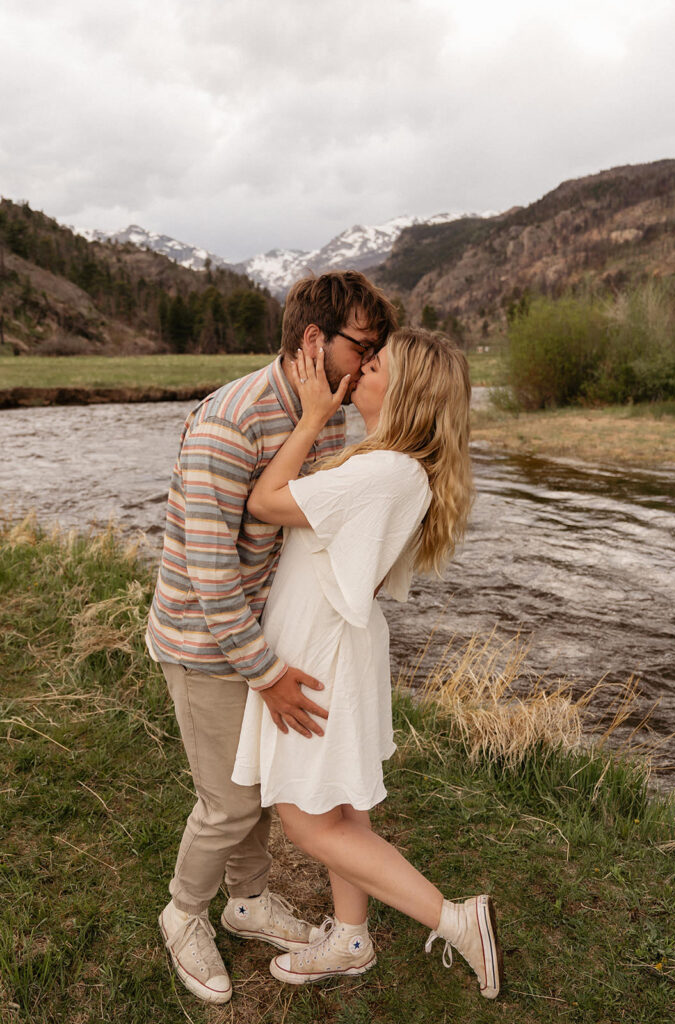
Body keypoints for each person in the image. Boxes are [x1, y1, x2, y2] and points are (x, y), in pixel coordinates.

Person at [146, 271, 398, 1004]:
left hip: (262, 637)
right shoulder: (233, 420)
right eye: (365, 345)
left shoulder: (329, 413)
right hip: (206, 644)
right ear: (314, 340)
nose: (371, 360)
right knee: (226, 802)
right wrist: (266, 673)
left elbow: (312, 528)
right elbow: (207, 570)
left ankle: (248, 900)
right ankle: (183, 913)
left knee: (253, 786)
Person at [232, 328, 503, 999]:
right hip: (339, 643)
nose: (356, 370)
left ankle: (455, 919)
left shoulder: (382, 472)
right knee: (343, 809)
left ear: (405, 388)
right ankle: (350, 939)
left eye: (373, 364)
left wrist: (315, 413)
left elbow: (264, 503)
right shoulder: (396, 466)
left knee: (304, 817)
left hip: (320, 653)